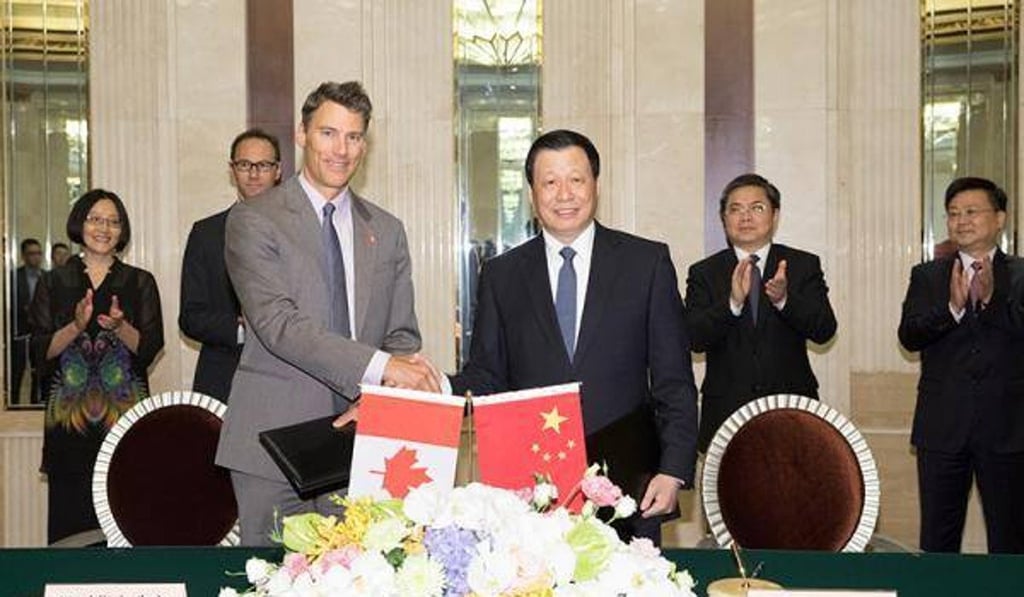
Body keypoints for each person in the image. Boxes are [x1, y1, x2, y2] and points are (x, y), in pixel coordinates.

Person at [216, 81, 442, 546]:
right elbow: (279, 325)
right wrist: (381, 369)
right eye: (328, 133)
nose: (341, 150)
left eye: (354, 137)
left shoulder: (388, 229)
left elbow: (401, 334)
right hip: (272, 449)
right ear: (302, 134)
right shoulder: (254, 219)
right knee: (272, 583)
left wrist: (379, 398)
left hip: (365, 444)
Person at [451, 129, 699, 545]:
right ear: (532, 192)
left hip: (629, 488)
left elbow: (674, 380)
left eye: (576, 179)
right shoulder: (501, 275)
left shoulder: (646, 263)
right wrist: (432, 387)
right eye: (549, 182)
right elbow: (487, 375)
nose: (563, 194)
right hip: (531, 493)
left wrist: (673, 468)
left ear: (595, 185)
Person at [29, 189, 164, 544]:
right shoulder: (53, 281)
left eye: (113, 221)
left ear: (122, 231)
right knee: (69, 535)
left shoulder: (139, 281)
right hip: (68, 426)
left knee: (126, 528)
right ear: (80, 224)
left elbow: (150, 348)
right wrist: (75, 325)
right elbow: (39, 353)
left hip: (123, 425)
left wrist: (120, 327)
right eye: (95, 219)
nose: (104, 228)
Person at [898, 176, 1024, 553]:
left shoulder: (1020, 275)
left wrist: (991, 303)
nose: (961, 221)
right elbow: (909, 336)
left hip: (1009, 429)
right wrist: (951, 310)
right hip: (942, 428)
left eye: (972, 212)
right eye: (953, 214)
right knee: (938, 541)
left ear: (999, 218)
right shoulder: (928, 275)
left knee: (1011, 542)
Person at [684, 173, 837, 452]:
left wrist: (785, 300)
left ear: (775, 215)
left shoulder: (802, 265)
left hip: (791, 411)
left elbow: (825, 330)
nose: (745, 217)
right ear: (723, 218)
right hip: (726, 416)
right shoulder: (704, 272)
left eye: (756, 208)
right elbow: (693, 338)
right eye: (735, 209)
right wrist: (731, 304)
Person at [179, 128, 282, 402]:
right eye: (245, 164)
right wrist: (240, 328)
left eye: (264, 165)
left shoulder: (303, 233)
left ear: (278, 170)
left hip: (288, 381)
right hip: (223, 378)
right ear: (232, 170)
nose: (254, 173)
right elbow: (190, 317)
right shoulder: (206, 233)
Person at [10, 238, 45, 403]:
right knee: (16, 370)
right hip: (19, 331)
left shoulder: (47, 276)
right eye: (32, 253)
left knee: (38, 371)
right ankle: (13, 402)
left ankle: (36, 404)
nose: (36, 257)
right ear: (23, 256)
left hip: (40, 332)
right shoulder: (13, 277)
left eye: (39, 253)